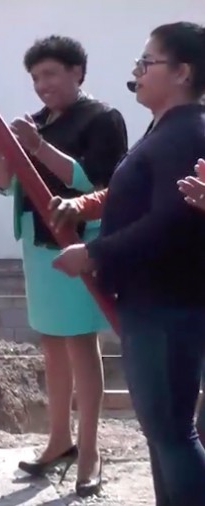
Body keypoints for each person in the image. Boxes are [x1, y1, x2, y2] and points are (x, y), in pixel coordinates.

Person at [52, 21, 205, 505]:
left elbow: (171, 220)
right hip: (152, 300)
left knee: (173, 433)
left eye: (147, 62)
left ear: (183, 72)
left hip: (166, 302)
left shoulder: (186, 134)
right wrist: (83, 207)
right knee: (165, 434)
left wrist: (96, 252)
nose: (136, 72)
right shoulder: (163, 129)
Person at [0, 35, 128, 496]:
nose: (43, 86)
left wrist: (37, 147)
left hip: (79, 241)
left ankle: (90, 449)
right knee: (52, 341)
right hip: (38, 242)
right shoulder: (35, 122)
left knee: (81, 341)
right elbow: (8, 187)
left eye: (52, 74)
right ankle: (59, 439)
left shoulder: (103, 118)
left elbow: (98, 183)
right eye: (36, 77)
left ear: (78, 72)